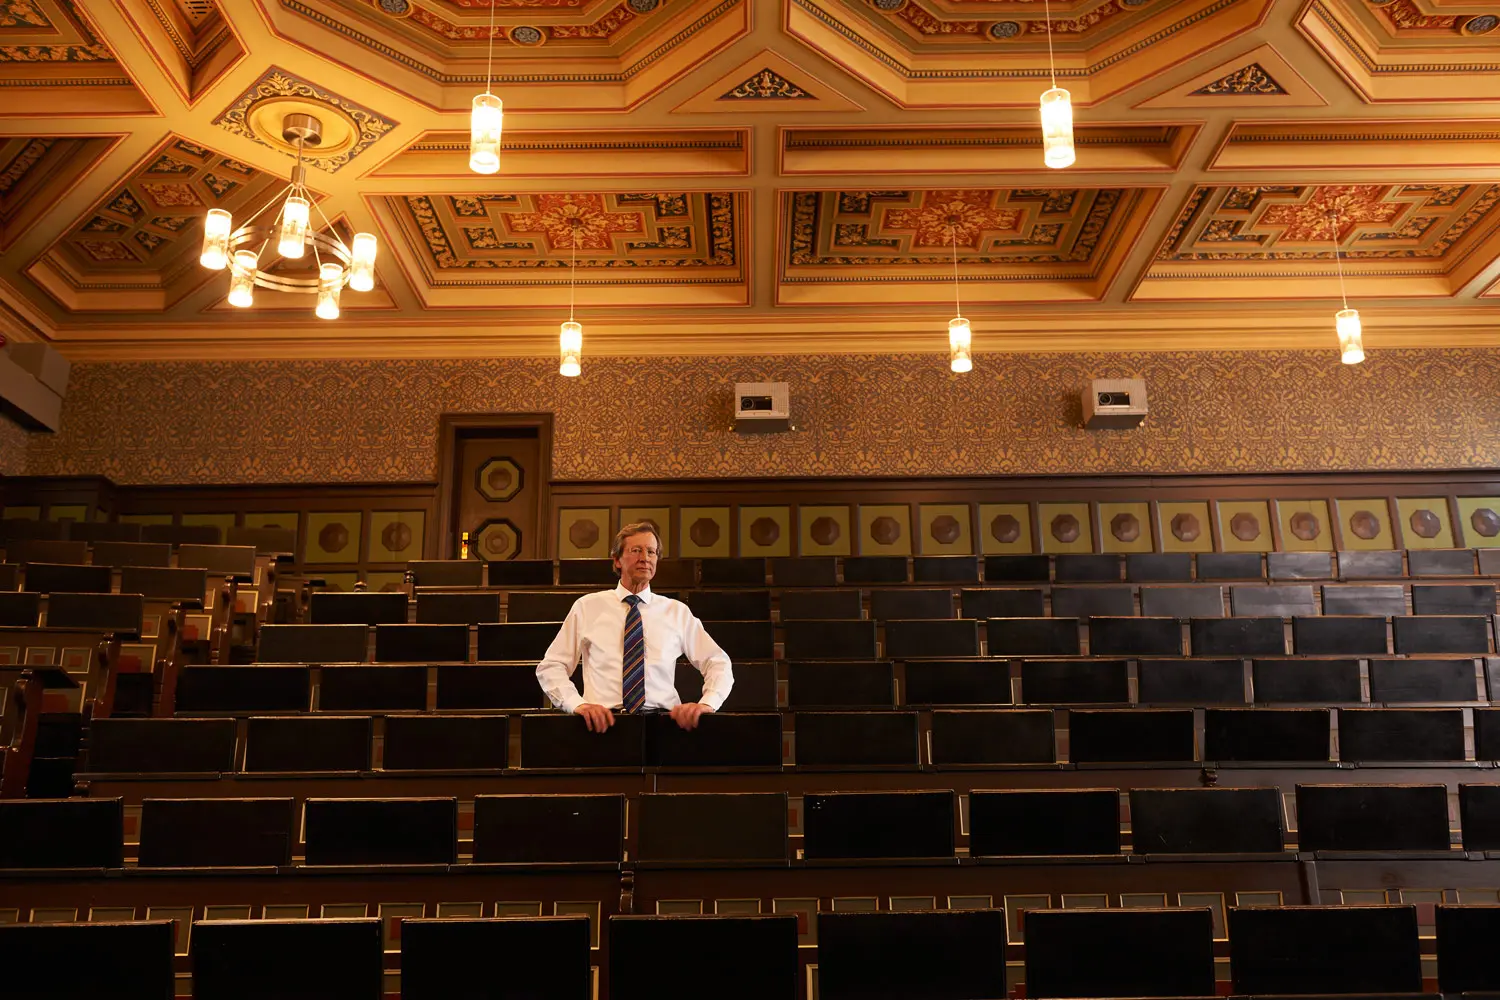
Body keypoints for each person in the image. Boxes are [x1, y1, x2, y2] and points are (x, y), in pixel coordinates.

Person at [535, 521, 733, 732]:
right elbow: (551, 666)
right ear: (617, 560)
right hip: (602, 726)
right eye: (636, 550)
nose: (645, 558)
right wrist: (577, 704)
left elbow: (717, 662)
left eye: (651, 552)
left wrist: (707, 703)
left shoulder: (677, 612)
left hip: (665, 726)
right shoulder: (587, 607)